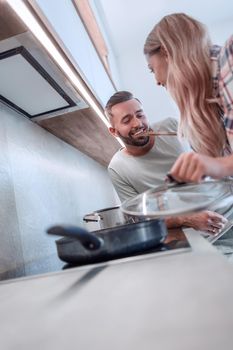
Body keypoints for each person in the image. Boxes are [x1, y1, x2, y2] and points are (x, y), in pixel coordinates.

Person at [105, 90, 226, 233]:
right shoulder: (117, 168)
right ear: (114, 131)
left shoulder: (171, 126)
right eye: (127, 120)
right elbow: (138, 219)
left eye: (140, 115)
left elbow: (216, 156)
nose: (137, 123)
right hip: (198, 235)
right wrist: (186, 218)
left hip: (225, 206)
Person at [143, 13, 233, 182]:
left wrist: (219, 165)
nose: (156, 81)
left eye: (152, 69)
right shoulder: (205, 109)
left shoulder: (230, 57)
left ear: (167, 51)